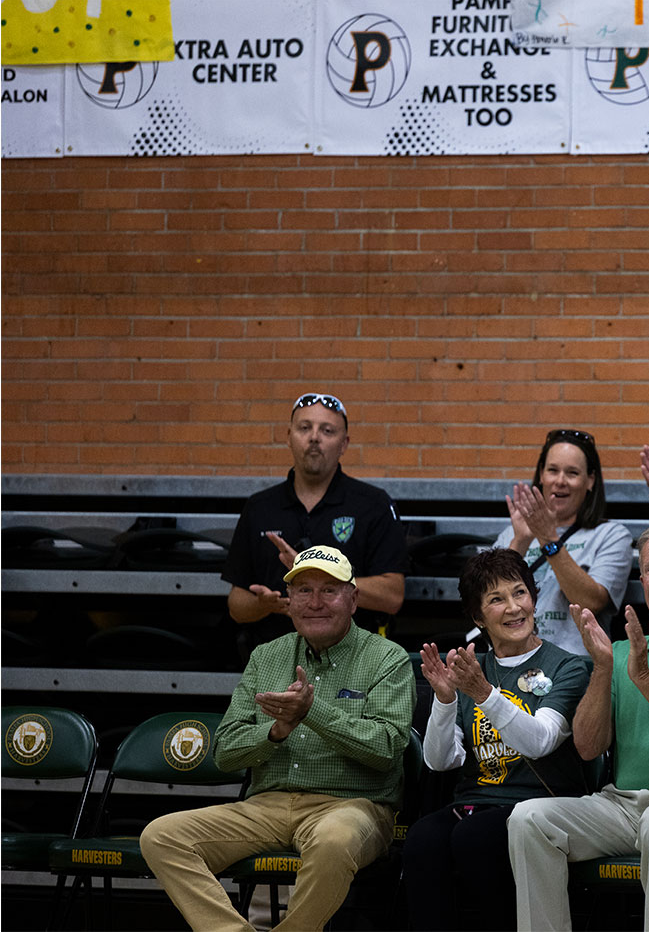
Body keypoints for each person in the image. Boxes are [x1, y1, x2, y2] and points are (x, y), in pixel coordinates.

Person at [141, 545, 414, 932]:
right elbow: (224, 752)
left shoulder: (387, 658)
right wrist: (273, 731)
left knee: (334, 843)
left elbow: (386, 749)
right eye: (303, 591)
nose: (315, 602)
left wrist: (310, 712)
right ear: (289, 601)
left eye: (329, 590)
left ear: (353, 600)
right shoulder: (265, 656)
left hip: (352, 805)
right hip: (266, 806)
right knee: (162, 837)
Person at [509, 523, 649, 931]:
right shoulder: (619, 654)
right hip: (624, 806)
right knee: (528, 819)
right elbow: (587, 747)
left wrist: (644, 678)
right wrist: (602, 667)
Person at [402, 547, 591, 931]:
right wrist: (444, 700)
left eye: (520, 593)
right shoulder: (474, 669)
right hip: (475, 801)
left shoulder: (568, 665)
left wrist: (485, 694)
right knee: (422, 839)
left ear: (534, 599)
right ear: (477, 616)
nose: (514, 607)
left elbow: (541, 741)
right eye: (496, 599)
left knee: (475, 839)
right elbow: (441, 761)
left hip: (537, 807)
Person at [223, 392, 408, 650]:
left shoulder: (373, 504)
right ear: (288, 437)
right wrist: (262, 605)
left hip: (356, 663)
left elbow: (392, 596)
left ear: (344, 444)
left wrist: (310, 570)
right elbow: (236, 605)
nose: (314, 437)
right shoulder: (259, 507)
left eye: (327, 430)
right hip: (275, 661)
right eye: (304, 427)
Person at [493, 429, 632, 656]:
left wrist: (548, 539)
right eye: (553, 470)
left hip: (574, 665)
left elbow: (590, 602)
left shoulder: (611, 535)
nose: (560, 481)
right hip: (511, 661)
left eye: (572, 473)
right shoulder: (512, 533)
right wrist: (521, 541)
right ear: (541, 475)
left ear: (590, 481)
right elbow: (488, 601)